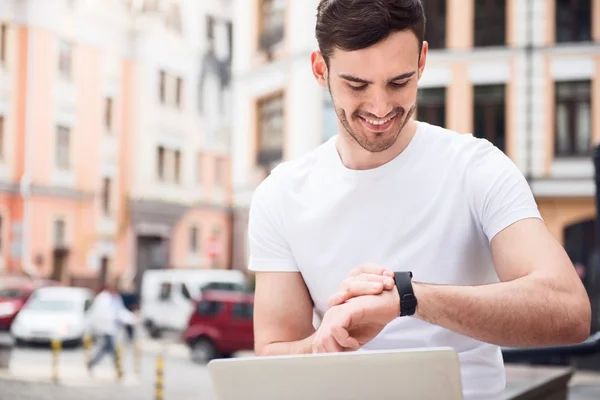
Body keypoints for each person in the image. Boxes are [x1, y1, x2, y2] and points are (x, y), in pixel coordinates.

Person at [247, 1, 591, 399]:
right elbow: (273, 350)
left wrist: (408, 298)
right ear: (320, 70)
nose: (380, 107)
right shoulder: (280, 195)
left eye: (399, 82)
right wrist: (321, 345)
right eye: (357, 85)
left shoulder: (476, 168)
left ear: (423, 61)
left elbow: (569, 310)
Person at [86, 279, 137, 374]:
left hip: (110, 328)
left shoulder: (114, 298)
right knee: (112, 349)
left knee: (105, 348)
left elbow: (120, 312)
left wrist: (132, 319)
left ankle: (91, 363)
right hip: (105, 329)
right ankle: (118, 369)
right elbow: (110, 314)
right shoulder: (103, 299)